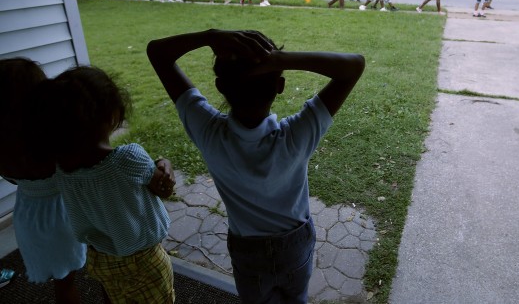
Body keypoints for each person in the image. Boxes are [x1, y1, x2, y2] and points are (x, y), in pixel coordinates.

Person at [146, 29, 365, 304]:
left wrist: (209, 36)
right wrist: (279, 59)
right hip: (295, 245)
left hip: (247, 250)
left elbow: (157, 53)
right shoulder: (296, 136)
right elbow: (354, 65)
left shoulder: (209, 132)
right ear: (280, 85)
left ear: (220, 86)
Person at [37, 66, 177, 304]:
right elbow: (160, 186)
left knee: (115, 297)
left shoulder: (59, 170)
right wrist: (164, 163)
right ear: (113, 115)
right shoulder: (128, 159)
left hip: (100, 259)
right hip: (144, 261)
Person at [0, 58, 86, 303]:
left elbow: (14, 179)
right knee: (101, 265)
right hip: (67, 210)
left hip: (30, 215)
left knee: (63, 279)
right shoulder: (53, 134)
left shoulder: (6, 146)